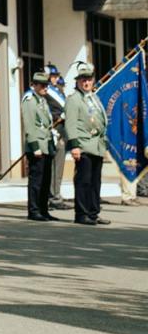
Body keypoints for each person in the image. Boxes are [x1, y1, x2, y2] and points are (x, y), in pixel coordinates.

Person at [65, 63, 109, 226]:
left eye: (89, 79)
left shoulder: (94, 97)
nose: (86, 83)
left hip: (97, 145)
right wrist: (74, 146)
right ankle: (82, 214)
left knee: (95, 182)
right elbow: (70, 124)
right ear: (77, 81)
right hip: (83, 145)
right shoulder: (74, 100)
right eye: (83, 80)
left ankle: (93, 212)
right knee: (84, 181)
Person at [22, 71, 56, 222]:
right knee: (36, 181)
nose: (45, 88)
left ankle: (43, 209)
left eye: (46, 85)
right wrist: (35, 146)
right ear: (34, 85)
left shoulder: (42, 101)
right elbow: (29, 126)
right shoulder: (30, 101)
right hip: (37, 146)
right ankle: (34, 210)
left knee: (45, 180)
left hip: (46, 145)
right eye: (42, 85)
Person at [44, 65, 70, 211]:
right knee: (53, 166)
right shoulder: (46, 92)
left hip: (61, 131)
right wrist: (58, 117)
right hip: (53, 131)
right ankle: (53, 197)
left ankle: (54, 194)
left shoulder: (57, 91)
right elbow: (46, 111)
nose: (55, 79)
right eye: (53, 76)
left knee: (57, 167)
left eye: (56, 76)